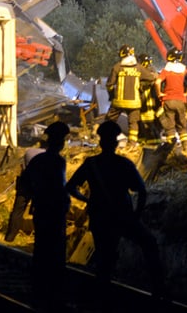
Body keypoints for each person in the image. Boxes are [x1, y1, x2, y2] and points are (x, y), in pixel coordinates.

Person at [66, 121, 168, 299]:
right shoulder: (124, 164)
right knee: (149, 243)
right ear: (115, 143)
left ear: (100, 142)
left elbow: (71, 187)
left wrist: (87, 199)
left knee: (104, 257)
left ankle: (103, 295)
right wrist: (137, 214)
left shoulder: (91, 164)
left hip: (99, 216)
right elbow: (142, 190)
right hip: (123, 215)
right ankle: (159, 289)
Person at [23, 120, 71, 309]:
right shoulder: (58, 162)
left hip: (42, 209)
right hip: (55, 211)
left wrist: (36, 194)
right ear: (60, 142)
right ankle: (54, 295)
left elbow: (26, 183)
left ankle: (39, 291)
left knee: (41, 249)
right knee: (56, 253)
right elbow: (61, 187)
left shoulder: (37, 161)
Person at [106, 45, 157, 144]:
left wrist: (112, 96)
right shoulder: (139, 68)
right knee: (133, 123)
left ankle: (107, 139)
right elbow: (151, 79)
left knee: (110, 120)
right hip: (134, 102)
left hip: (118, 102)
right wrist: (141, 86)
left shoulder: (117, 67)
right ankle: (132, 144)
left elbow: (109, 85)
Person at [3, 133, 48, 242]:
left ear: (39, 142)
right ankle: (40, 239)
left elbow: (23, 167)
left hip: (25, 185)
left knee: (17, 211)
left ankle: (10, 237)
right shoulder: (49, 155)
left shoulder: (29, 152)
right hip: (39, 187)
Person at [157, 47, 187, 156]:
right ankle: (186, 149)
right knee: (182, 126)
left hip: (168, 100)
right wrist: (186, 94)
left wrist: (159, 93)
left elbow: (157, 82)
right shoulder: (184, 70)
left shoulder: (167, 69)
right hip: (181, 101)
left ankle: (171, 151)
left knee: (170, 127)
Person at [137, 53, 164, 146]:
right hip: (152, 102)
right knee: (145, 122)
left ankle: (152, 141)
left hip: (147, 102)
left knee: (148, 123)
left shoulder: (145, 73)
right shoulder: (153, 72)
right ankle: (145, 140)